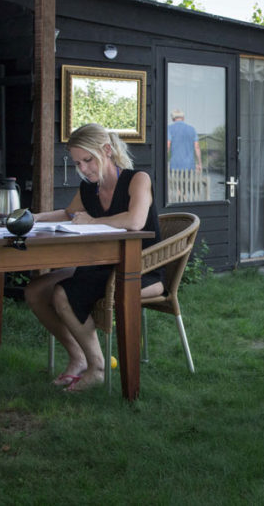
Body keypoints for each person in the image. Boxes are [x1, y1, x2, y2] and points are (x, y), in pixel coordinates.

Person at [25, 123, 162, 392]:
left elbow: (135, 221)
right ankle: (77, 357)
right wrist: (32, 218)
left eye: (88, 160)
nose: (84, 168)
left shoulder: (138, 179)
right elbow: (69, 215)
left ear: (107, 150)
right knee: (36, 291)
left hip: (141, 269)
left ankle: (96, 366)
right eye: (78, 163)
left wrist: (92, 220)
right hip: (101, 267)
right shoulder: (89, 188)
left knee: (63, 293)